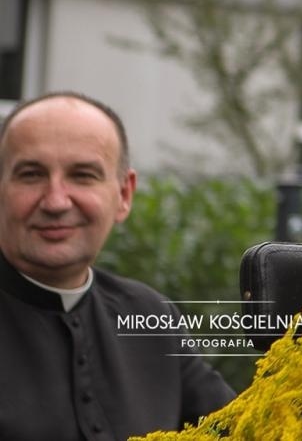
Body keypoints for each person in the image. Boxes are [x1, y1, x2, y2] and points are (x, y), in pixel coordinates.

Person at [0, 92, 234, 440]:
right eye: (31, 174)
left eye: (83, 175)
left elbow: (243, 428)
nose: (56, 201)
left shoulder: (149, 315)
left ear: (124, 195)